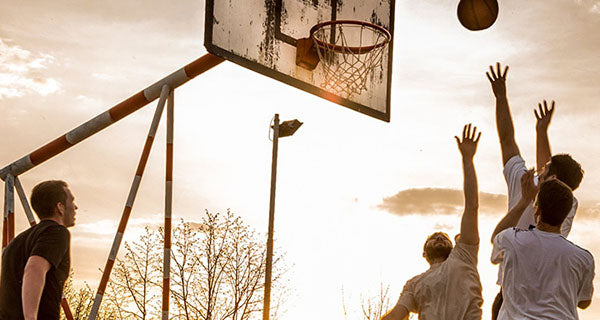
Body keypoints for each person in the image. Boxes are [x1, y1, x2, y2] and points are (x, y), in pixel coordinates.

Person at [486, 62, 584, 319]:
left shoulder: (526, 185)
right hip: (551, 300)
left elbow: (506, 139)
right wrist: (541, 131)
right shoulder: (568, 201)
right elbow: (546, 171)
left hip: (516, 296)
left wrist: (501, 97)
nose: (541, 167)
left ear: (551, 177)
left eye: (546, 167)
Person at [381, 124, 483, 320]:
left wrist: (467, 160)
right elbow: (396, 315)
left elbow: (472, 206)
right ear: (424, 252)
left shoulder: (464, 255)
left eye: (443, 237)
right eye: (434, 237)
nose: (438, 237)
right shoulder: (414, 283)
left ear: (454, 247)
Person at [491, 177, 594, 319]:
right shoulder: (583, 258)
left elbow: (496, 237)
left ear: (537, 209)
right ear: (566, 215)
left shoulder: (512, 240)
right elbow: (584, 302)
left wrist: (525, 200)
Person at [0, 180, 77, 320]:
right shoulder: (56, 232)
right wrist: (30, 317)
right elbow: (34, 268)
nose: (75, 207)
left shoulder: (14, 244)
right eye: (71, 201)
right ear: (60, 207)